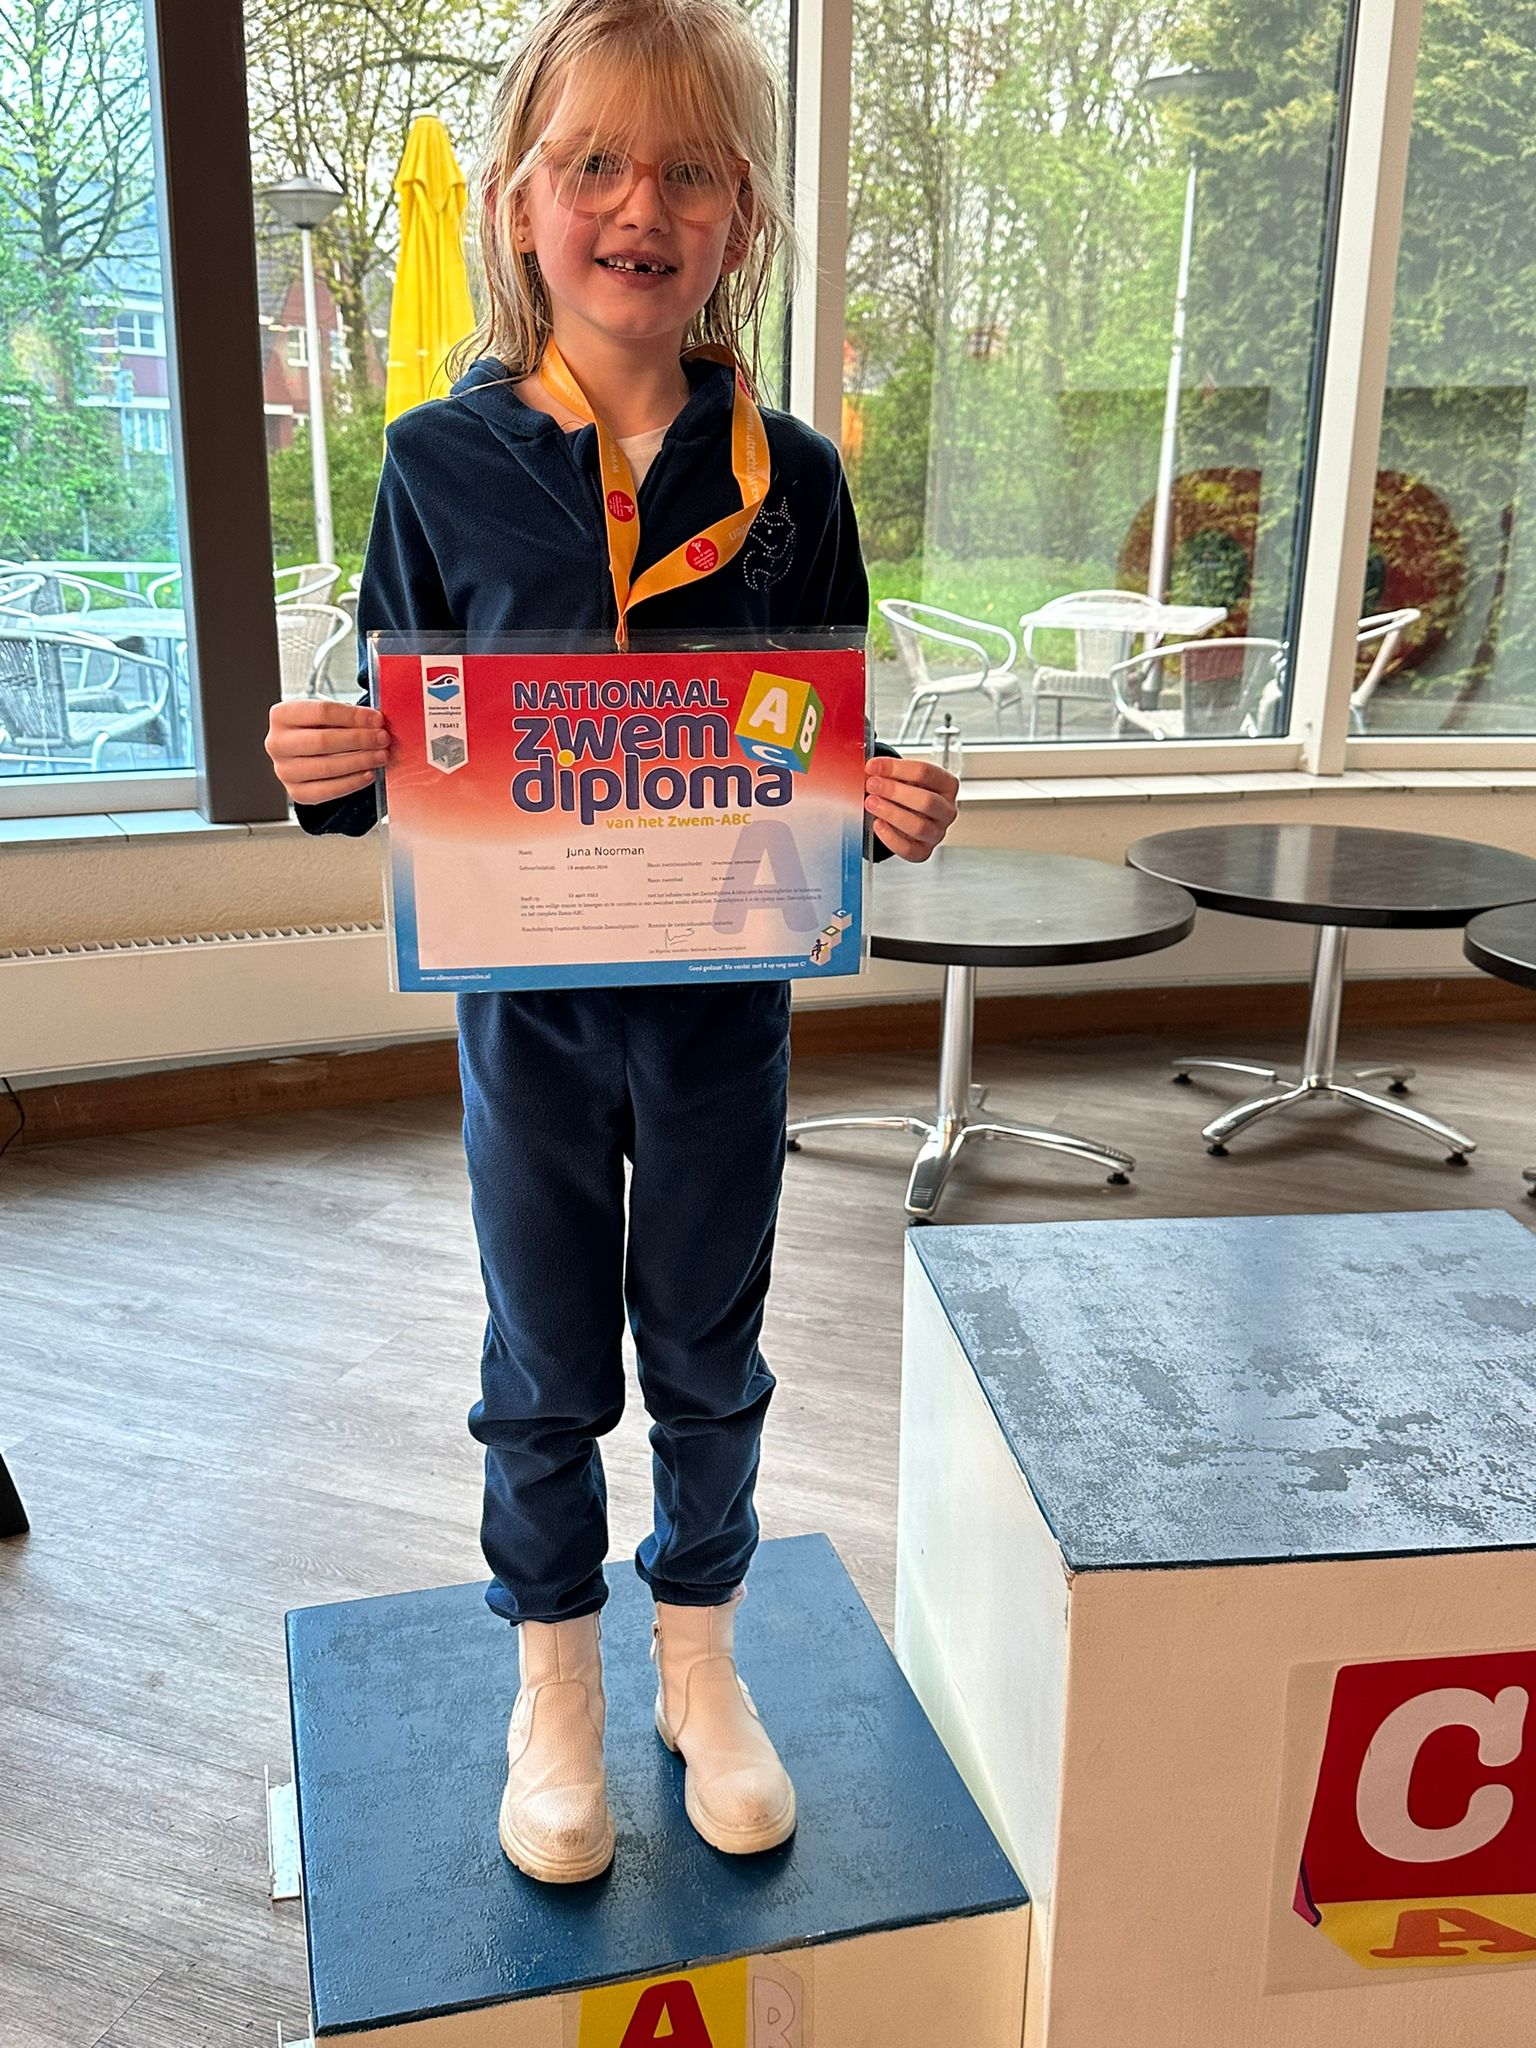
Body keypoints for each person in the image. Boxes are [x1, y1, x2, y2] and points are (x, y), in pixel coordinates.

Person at [264, 0, 958, 1886]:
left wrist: (886, 798)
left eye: (689, 172)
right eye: (594, 164)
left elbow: (819, 743)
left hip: (726, 1011)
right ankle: (555, 1681)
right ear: (519, 201)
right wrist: (328, 773)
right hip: (533, 1014)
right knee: (546, 1353)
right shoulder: (435, 464)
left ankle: (701, 1665)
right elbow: (401, 742)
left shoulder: (795, 479)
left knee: (711, 1347)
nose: (638, 206)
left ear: (744, 220)